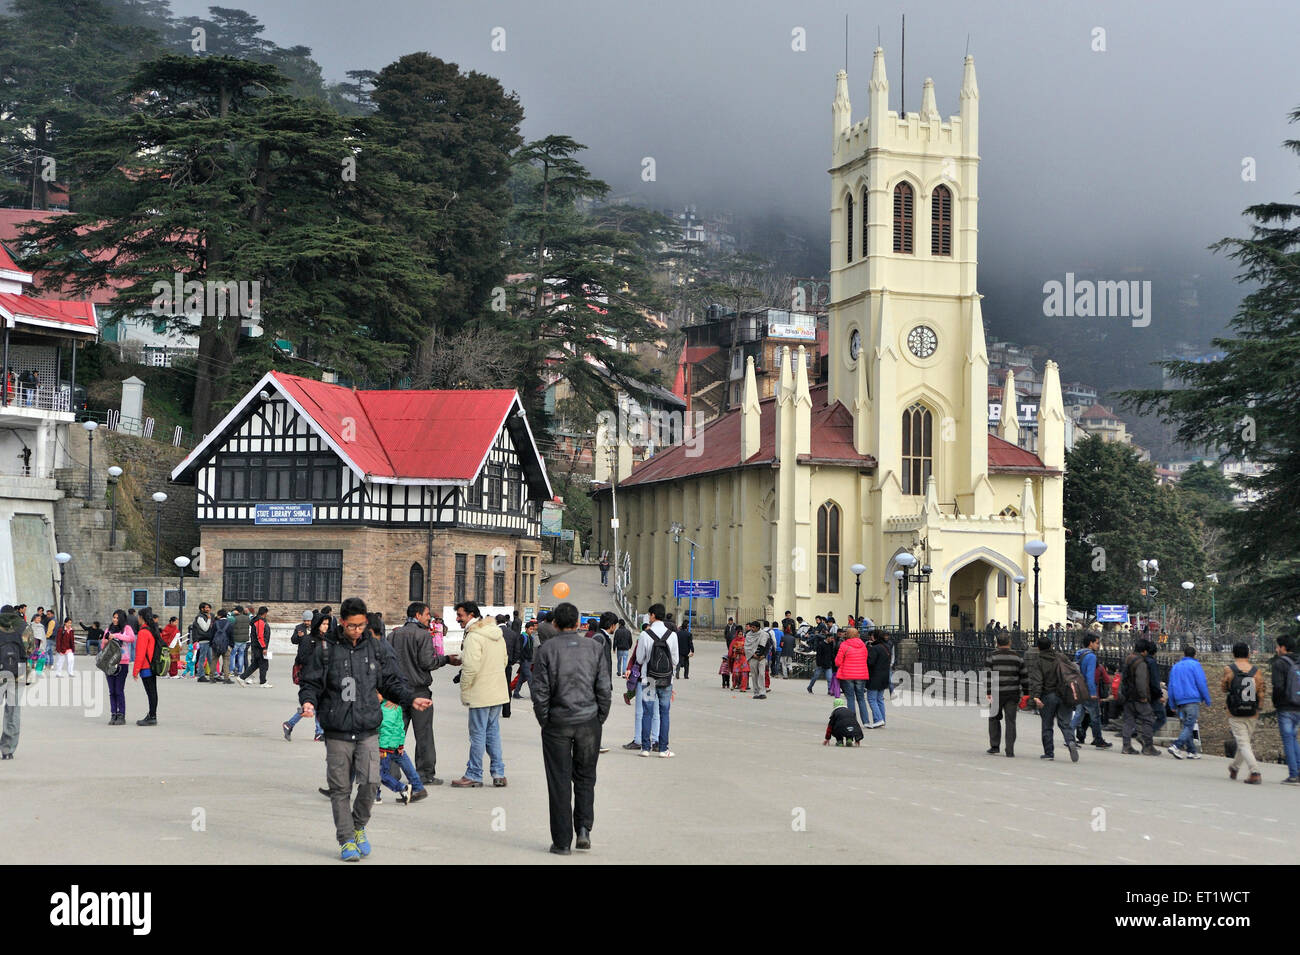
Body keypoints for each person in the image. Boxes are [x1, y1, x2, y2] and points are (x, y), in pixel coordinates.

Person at [299, 596, 431, 861]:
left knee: (371, 783)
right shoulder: (326, 648)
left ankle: (358, 827)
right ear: (342, 622)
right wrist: (308, 702)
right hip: (337, 728)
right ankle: (346, 840)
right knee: (339, 789)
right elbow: (311, 682)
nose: (356, 631)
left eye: (361, 625)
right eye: (351, 626)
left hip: (368, 727)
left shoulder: (376, 648)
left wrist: (409, 698)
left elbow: (392, 681)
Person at [531, 601, 611, 854]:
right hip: (588, 720)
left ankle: (562, 841)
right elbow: (604, 688)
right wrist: (599, 717)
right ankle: (584, 829)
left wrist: (545, 719)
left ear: (555, 623)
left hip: (558, 721)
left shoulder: (546, 649)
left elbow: (540, 691)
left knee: (559, 781)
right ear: (578, 623)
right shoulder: (594, 648)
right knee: (586, 777)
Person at [388, 602, 458, 785]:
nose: (430, 618)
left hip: (396, 692)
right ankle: (424, 773)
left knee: (394, 733)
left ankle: (389, 771)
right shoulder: (422, 635)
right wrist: (446, 660)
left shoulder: (394, 635)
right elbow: (428, 662)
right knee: (424, 734)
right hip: (419, 691)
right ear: (418, 615)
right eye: (427, 614)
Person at [450, 601, 509, 788]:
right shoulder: (496, 634)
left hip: (480, 692)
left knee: (477, 735)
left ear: (471, 615)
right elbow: (505, 660)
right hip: (497, 690)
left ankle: (474, 773)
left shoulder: (474, 636)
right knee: (493, 732)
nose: (457, 619)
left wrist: (465, 690)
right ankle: (498, 773)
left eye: (460, 615)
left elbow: (471, 667)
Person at [1027, 635, 1079, 762]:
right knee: (1065, 722)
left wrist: (1036, 697)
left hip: (1048, 695)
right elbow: (1073, 671)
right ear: (1051, 646)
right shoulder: (1061, 657)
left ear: (1038, 648)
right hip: (1064, 694)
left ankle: (1049, 753)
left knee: (1047, 724)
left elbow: (1037, 681)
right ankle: (1071, 741)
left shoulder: (1039, 661)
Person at [635, 604, 678, 757]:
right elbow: (675, 660)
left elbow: (639, 659)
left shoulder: (645, 635)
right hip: (666, 680)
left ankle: (645, 748)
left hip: (649, 679)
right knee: (664, 713)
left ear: (652, 616)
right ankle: (663, 749)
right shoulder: (672, 635)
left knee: (647, 712)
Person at [1222, 642, 1265, 784]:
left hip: (1235, 712)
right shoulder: (1256, 671)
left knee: (1243, 742)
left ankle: (1255, 771)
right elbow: (1261, 691)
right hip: (1252, 711)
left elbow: (1224, 687)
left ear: (1233, 654)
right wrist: (1259, 708)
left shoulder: (1229, 669)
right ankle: (1234, 767)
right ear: (1248, 654)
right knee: (1244, 742)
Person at [285, 613, 330, 741]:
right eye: (323, 624)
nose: (326, 627)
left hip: (321, 676)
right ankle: (319, 732)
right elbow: (302, 658)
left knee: (314, 705)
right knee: (314, 704)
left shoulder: (325, 640)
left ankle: (290, 724)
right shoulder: (307, 639)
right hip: (309, 677)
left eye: (327, 624)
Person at [378, 692, 428, 804]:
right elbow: (401, 727)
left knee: (380, 773)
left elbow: (385, 731)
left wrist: (382, 748)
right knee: (405, 763)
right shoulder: (395, 707)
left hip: (385, 747)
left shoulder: (385, 709)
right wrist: (400, 744)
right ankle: (418, 787)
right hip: (396, 744)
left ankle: (401, 788)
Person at [1166, 645, 1212, 759]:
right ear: (1195, 655)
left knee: (1187, 725)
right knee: (1189, 724)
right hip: (1192, 699)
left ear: (1184, 654)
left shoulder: (1175, 667)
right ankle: (1176, 745)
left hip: (1179, 700)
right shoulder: (1195, 665)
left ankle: (1192, 751)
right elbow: (1201, 683)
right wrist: (1207, 698)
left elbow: (1171, 685)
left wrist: (1171, 703)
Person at [986, 632, 1026, 756]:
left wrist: (988, 691)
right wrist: (1026, 692)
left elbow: (988, 675)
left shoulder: (991, 656)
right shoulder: (1017, 657)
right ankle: (1010, 749)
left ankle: (994, 745)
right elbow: (1024, 675)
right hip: (1012, 694)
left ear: (997, 643)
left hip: (996, 693)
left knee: (993, 719)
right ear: (1010, 643)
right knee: (1011, 721)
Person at [1069, 634, 1112, 748]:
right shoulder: (1091, 657)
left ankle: (1069, 736)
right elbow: (1090, 675)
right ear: (1090, 643)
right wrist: (1093, 692)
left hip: (1080, 688)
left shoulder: (1080, 654)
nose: (1098, 645)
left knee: (1079, 714)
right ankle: (1098, 739)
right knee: (1095, 716)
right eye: (1097, 643)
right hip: (1088, 689)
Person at [1120, 639, 1158, 755]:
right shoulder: (1140, 663)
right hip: (1138, 697)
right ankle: (1148, 746)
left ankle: (1126, 746)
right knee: (1148, 720)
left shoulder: (1128, 659)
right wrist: (1144, 696)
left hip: (1128, 695)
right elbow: (1141, 681)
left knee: (1128, 721)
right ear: (1144, 651)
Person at [1271, 634, 1300, 784]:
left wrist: (1276, 703)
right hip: (1298, 705)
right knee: (1294, 738)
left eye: (1277, 646)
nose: (1276, 649)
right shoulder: (1299, 661)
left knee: (1288, 740)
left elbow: (1278, 686)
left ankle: (1293, 774)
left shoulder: (1279, 663)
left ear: (1283, 648)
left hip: (1285, 706)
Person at [0, 605, 26, 759]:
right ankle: (8, 750)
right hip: (17, 674)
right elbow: (31, 650)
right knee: (13, 711)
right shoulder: (23, 626)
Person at [103, 610, 136, 725]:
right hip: (109, 662)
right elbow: (103, 644)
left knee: (119, 690)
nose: (115, 620)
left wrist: (116, 636)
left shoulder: (126, 628)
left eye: (117, 618)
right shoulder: (109, 629)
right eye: (113, 617)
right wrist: (106, 640)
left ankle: (121, 714)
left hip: (122, 662)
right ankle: (113, 714)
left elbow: (131, 638)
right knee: (112, 691)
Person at [132, 607, 162, 726]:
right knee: (153, 691)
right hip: (153, 664)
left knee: (150, 692)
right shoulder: (152, 630)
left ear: (141, 618)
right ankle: (152, 714)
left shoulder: (143, 632)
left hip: (146, 666)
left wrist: (135, 671)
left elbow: (140, 653)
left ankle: (152, 715)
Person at [833, 626, 869, 719]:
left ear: (847, 635)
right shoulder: (863, 645)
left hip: (847, 675)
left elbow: (838, 662)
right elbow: (865, 659)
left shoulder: (844, 645)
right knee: (861, 699)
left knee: (850, 698)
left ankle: (853, 719)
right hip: (861, 674)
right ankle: (866, 721)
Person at [237, 606, 271, 687]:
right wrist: (264, 647)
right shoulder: (260, 621)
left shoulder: (258, 621)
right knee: (263, 664)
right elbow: (260, 636)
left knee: (255, 664)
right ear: (265, 613)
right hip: (259, 647)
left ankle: (242, 677)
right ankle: (263, 682)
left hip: (257, 646)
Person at [865, 630, 891, 728]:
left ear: (875, 637)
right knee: (879, 699)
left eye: (872, 636)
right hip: (884, 676)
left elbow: (870, 663)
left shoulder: (874, 648)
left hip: (875, 676)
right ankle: (882, 719)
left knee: (871, 699)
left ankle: (878, 719)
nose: (871, 638)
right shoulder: (887, 647)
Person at [497, 614, 522, 719]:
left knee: (493, 686)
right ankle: (506, 711)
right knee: (506, 687)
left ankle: (492, 710)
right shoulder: (512, 634)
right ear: (506, 622)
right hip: (507, 664)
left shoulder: (494, 633)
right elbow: (517, 651)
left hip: (494, 664)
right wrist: (511, 662)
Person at [744, 621, 771, 699]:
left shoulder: (764, 634)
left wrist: (764, 655)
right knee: (754, 675)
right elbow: (746, 647)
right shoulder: (748, 635)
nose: (752, 629)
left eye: (753, 627)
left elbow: (768, 645)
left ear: (758, 628)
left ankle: (762, 692)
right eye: (751, 627)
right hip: (753, 658)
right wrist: (753, 654)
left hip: (762, 657)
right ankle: (756, 692)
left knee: (761, 674)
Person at [806, 627, 837, 695]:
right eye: (831, 638)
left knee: (829, 678)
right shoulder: (821, 644)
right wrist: (819, 663)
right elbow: (818, 655)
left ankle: (829, 690)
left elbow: (831, 654)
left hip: (828, 664)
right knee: (815, 677)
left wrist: (833, 661)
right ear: (827, 637)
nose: (832, 640)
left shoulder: (831, 644)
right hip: (820, 665)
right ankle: (810, 687)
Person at [190, 604, 214, 682]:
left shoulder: (209, 616)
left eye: (209, 607)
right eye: (206, 608)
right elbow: (205, 628)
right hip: (203, 640)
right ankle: (201, 675)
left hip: (209, 640)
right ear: (202, 609)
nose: (208, 609)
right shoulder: (200, 617)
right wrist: (209, 619)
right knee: (202, 658)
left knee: (211, 658)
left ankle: (214, 674)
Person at [514, 620, 536, 699]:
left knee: (522, 678)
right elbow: (520, 649)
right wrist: (521, 659)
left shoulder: (530, 637)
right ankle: (534, 695)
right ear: (526, 629)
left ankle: (516, 692)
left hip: (529, 660)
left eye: (532, 629)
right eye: (530, 629)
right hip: (524, 661)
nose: (531, 631)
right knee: (530, 677)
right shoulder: (522, 637)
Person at [210, 609, 233, 683]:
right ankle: (226, 678)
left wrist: (211, 644)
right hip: (226, 645)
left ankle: (212, 677)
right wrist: (231, 645)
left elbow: (212, 634)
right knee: (226, 661)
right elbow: (231, 635)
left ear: (219, 615)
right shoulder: (229, 623)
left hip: (216, 645)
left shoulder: (215, 623)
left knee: (214, 660)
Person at [229, 606, 251, 677]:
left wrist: (232, 613)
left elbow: (227, 617)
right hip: (244, 640)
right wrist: (248, 613)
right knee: (241, 655)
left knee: (232, 654)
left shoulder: (234, 618)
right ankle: (240, 671)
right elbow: (252, 617)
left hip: (236, 639)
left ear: (237, 611)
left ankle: (231, 670)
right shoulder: (247, 618)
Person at [728, 625, 750, 692]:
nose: (740, 635)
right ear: (737, 634)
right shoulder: (734, 641)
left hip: (743, 659)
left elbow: (748, 649)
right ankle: (734, 685)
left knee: (744, 673)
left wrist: (742, 650)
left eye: (741, 634)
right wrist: (731, 655)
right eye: (739, 634)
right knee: (735, 673)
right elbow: (730, 650)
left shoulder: (745, 641)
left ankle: (743, 687)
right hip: (737, 659)